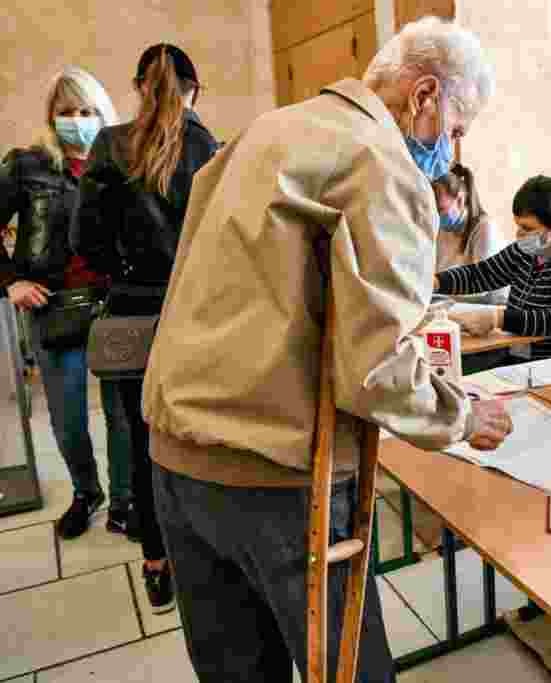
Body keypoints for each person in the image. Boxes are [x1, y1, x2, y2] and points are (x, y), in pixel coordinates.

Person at [138, 17, 511, 682]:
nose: (453, 154)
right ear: (426, 94)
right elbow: (377, 371)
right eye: (457, 128)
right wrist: (460, 415)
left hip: (176, 456)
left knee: (236, 670)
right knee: (349, 670)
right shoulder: (379, 160)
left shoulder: (267, 130)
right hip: (274, 474)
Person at [72, 44, 219, 614]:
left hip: (135, 313)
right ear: (195, 89)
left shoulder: (109, 145)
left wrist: (127, 273)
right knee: (202, 434)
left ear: (138, 86)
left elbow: (85, 244)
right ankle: (207, 557)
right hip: (200, 315)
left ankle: (157, 564)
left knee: (143, 439)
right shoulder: (212, 148)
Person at [0, 67, 134, 540]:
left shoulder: (121, 162)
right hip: (53, 308)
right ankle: (86, 493)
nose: (77, 120)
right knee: (68, 416)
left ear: (103, 114)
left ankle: (124, 503)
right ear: (51, 117)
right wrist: (11, 280)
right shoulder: (28, 164)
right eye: (67, 112)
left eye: (87, 111)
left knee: (123, 415)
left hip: (114, 305)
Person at [433, 175, 551, 364]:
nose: (519, 234)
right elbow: (481, 274)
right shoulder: (526, 251)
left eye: (527, 228)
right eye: (518, 226)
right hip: (518, 355)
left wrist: (499, 318)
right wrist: (436, 282)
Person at [433, 163, 508, 303]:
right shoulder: (443, 230)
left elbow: (481, 286)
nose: (436, 216)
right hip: (456, 306)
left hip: (491, 308)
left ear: (460, 200)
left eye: (440, 209)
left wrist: (437, 286)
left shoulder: (485, 228)